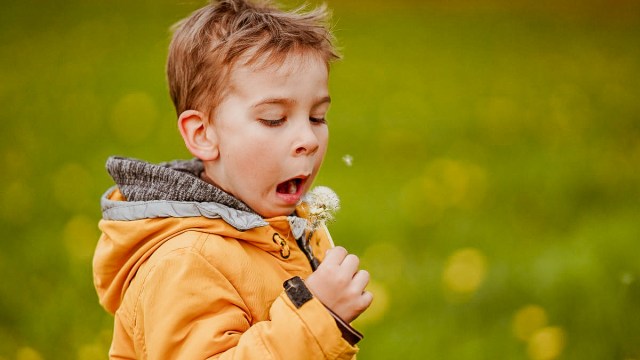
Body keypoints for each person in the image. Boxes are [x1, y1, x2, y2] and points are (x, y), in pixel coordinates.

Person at [92, 0, 373, 358]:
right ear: (203, 134)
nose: (309, 139)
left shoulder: (283, 227)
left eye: (317, 117)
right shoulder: (185, 261)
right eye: (274, 118)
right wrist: (317, 315)